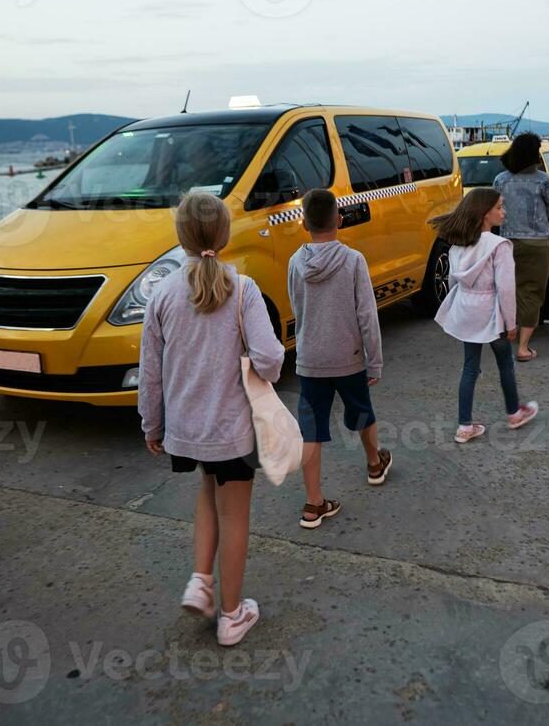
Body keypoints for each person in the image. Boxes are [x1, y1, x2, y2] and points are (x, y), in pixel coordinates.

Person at [139, 191, 284, 646]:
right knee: (235, 513)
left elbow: (150, 371)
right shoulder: (242, 289)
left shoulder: (161, 293)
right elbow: (270, 357)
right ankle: (231, 614)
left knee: (207, 489)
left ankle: (201, 581)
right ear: (224, 235)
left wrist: (152, 424)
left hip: (187, 429)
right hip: (232, 431)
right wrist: (261, 371)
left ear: (181, 236)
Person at [287, 188, 390, 530]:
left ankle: (313, 503)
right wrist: (373, 361)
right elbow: (367, 316)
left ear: (304, 224)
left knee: (311, 428)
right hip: (349, 356)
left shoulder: (294, 263)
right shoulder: (353, 260)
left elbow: (297, 309)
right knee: (362, 411)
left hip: (310, 359)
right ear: (340, 220)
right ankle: (374, 463)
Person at [431, 187, 540, 443]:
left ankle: (464, 425)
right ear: (484, 214)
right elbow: (505, 288)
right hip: (493, 314)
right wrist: (511, 323)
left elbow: (452, 280)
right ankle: (514, 412)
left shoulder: (459, 244)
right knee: (505, 362)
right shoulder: (499, 246)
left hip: (468, 310)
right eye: (499, 207)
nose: (504, 211)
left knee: (470, 367)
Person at [492, 133, 549, 363]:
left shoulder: (501, 180)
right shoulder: (543, 180)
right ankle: (522, 347)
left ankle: (502, 338)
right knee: (532, 291)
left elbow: (493, 211)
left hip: (506, 242)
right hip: (537, 243)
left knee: (506, 289)